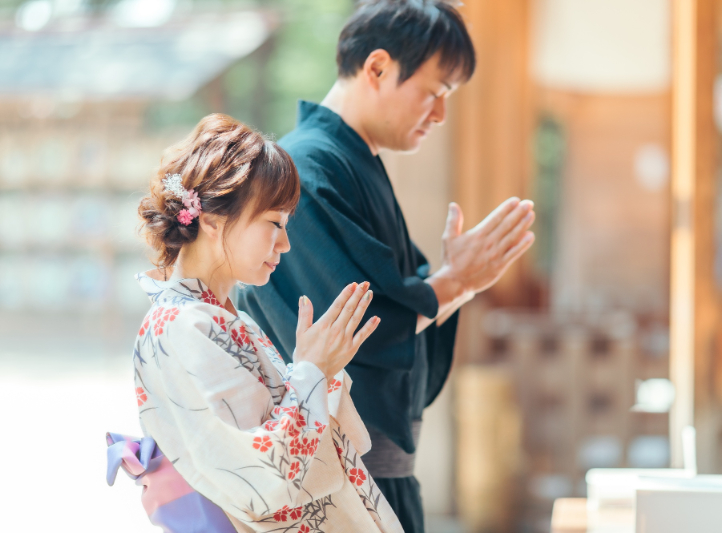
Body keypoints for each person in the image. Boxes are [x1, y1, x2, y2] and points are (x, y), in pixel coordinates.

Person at [237, 2, 536, 532]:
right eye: (435, 92)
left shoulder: (350, 161)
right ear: (377, 68)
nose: (440, 114)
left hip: (370, 473)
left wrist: (452, 285)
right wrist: (457, 282)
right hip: (335, 484)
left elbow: (405, 298)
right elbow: (361, 324)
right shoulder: (304, 169)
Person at [127, 113, 404, 533]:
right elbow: (260, 481)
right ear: (213, 220)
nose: (286, 243)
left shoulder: (218, 318)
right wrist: (310, 371)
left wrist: (322, 370)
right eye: (274, 223)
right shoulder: (180, 327)